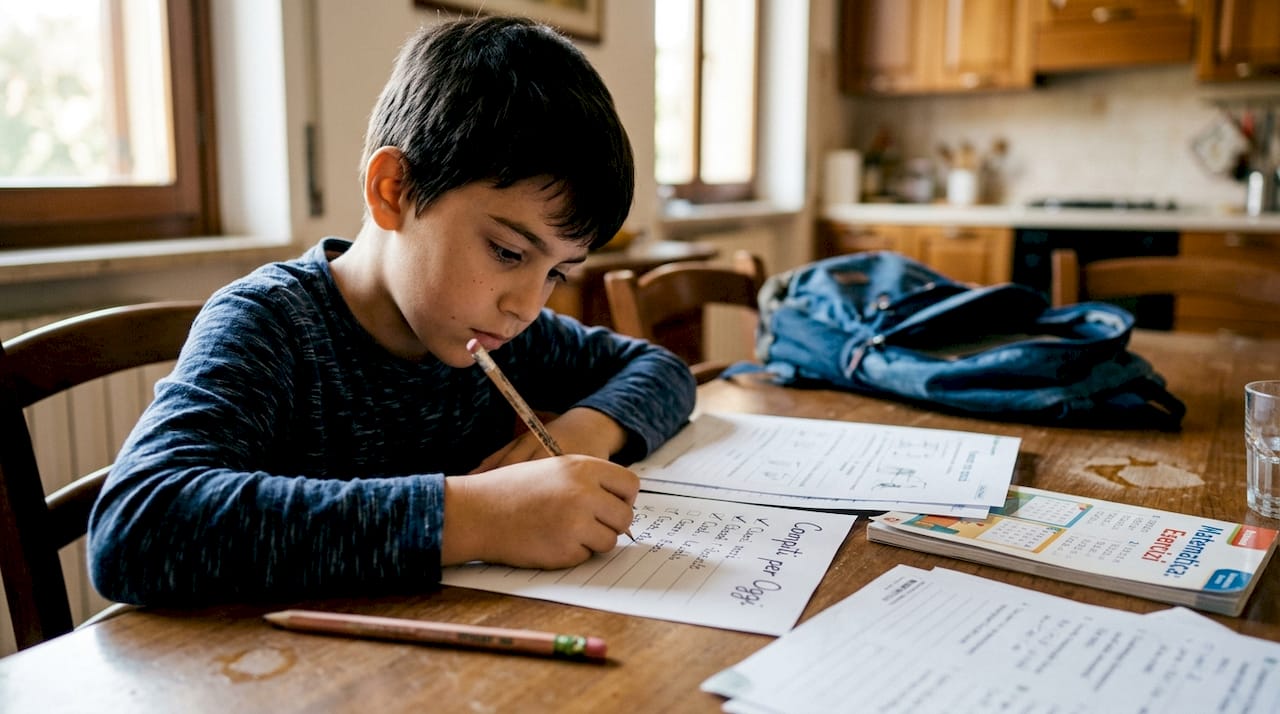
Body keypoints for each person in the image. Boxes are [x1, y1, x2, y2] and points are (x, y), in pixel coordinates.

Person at [87, 16, 696, 606]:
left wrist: (585, 427)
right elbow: (136, 525)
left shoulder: (496, 333)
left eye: (557, 273)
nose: (528, 307)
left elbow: (662, 369)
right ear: (393, 190)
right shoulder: (272, 324)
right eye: (509, 251)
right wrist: (480, 517)